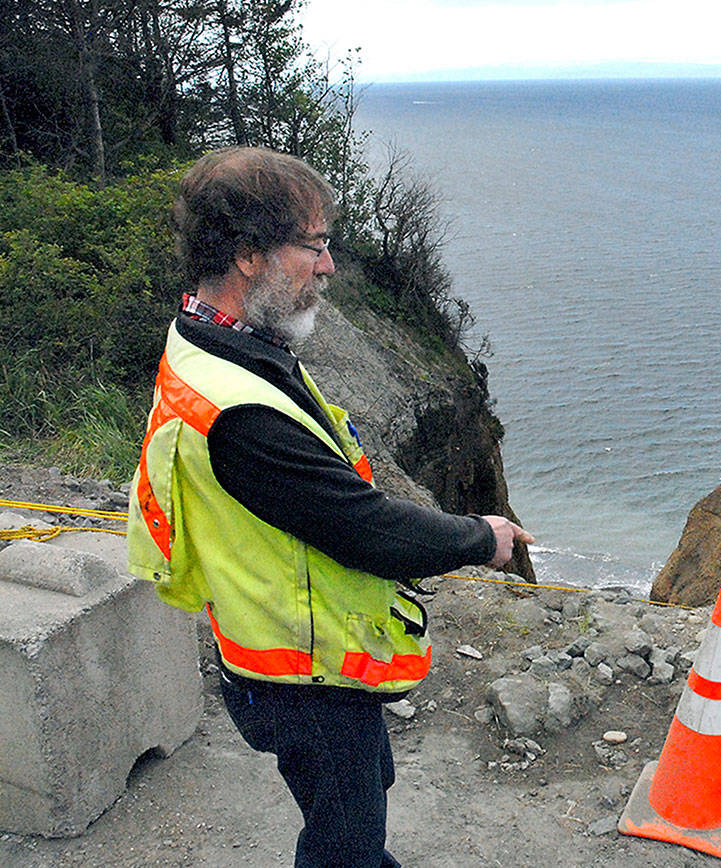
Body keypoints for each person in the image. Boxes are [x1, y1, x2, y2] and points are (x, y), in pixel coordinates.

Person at [126, 146, 533, 867]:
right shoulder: (241, 416)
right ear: (248, 256)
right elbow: (366, 529)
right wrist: (482, 536)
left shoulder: (212, 341)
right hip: (300, 674)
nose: (329, 265)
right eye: (313, 246)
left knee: (360, 797)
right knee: (345, 841)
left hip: (288, 649)